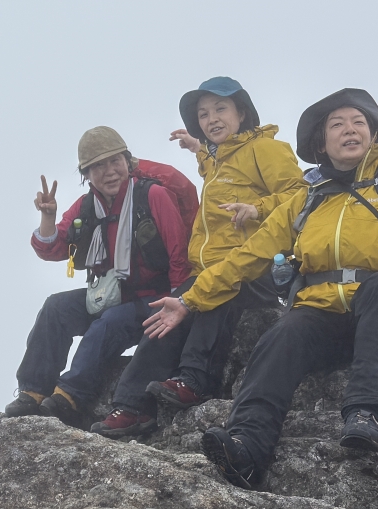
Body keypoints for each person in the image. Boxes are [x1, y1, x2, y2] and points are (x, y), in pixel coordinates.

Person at [142, 23, 378, 488]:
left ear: (373, 134)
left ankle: (365, 413)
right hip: (321, 318)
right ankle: (246, 447)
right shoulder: (305, 199)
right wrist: (189, 300)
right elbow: (249, 256)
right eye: (337, 124)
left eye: (358, 122)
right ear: (321, 143)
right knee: (284, 332)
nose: (349, 129)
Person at [92, 76, 302, 438]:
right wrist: (198, 150)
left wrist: (258, 208)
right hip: (213, 265)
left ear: (242, 112)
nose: (211, 119)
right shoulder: (219, 158)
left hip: (259, 267)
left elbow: (301, 196)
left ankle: (194, 379)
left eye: (220, 109)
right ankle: (130, 406)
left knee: (215, 293)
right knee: (166, 311)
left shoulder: (267, 149)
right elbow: (218, 169)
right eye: (203, 114)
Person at [8, 126, 195, 429]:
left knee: (107, 324)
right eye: (97, 166)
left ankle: (71, 396)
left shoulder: (153, 195)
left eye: (114, 161)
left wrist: (177, 303)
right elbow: (52, 248)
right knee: (55, 308)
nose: (109, 171)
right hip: (111, 294)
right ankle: (34, 389)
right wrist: (47, 217)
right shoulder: (87, 206)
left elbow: (178, 254)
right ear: (86, 174)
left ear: (127, 161)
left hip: (153, 298)